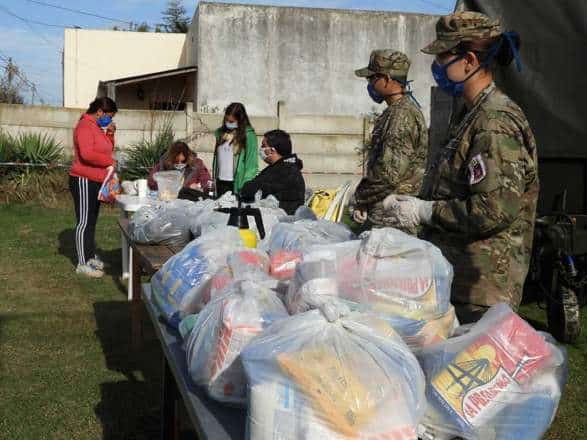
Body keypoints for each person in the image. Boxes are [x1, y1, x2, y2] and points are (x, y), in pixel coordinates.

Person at [383, 12, 539, 323]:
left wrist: (425, 211)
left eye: (442, 57)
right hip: (459, 278)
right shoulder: (470, 114)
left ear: (468, 60)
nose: (436, 67)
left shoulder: (494, 122)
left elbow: (493, 209)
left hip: (482, 289)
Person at [352, 49, 428, 233]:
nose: (369, 83)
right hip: (387, 212)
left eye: (372, 78)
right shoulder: (395, 111)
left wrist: (361, 196)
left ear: (386, 79)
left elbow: (389, 172)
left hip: (393, 217)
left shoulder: (402, 115)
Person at [69, 97, 118, 278]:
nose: (110, 120)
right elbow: (87, 154)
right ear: (100, 112)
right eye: (109, 116)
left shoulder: (97, 128)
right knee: (84, 222)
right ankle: (82, 263)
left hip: (96, 180)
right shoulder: (84, 126)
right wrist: (110, 162)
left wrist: (110, 134)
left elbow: (106, 149)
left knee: (91, 221)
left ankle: (89, 257)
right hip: (83, 179)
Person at [240, 129, 305, 215]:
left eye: (263, 146)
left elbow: (251, 189)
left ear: (272, 150)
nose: (261, 149)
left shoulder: (286, 170)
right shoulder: (278, 167)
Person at [212, 103, 258, 197]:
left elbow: (251, 163)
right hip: (220, 182)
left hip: (237, 184)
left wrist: (246, 185)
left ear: (240, 120)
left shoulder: (249, 135)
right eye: (226, 120)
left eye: (232, 121)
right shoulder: (220, 133)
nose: (228, 123)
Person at [147, 141, 211, 191]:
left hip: (190, 200)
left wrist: (199, 186)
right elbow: (151, 182)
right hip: (169, 198)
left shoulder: (197, 164)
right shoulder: (163, 164)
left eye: (183, 161)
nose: (179, 163)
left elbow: (207, 182)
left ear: (188, 157)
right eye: (176, 161)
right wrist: (163, 185)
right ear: (171, 158)